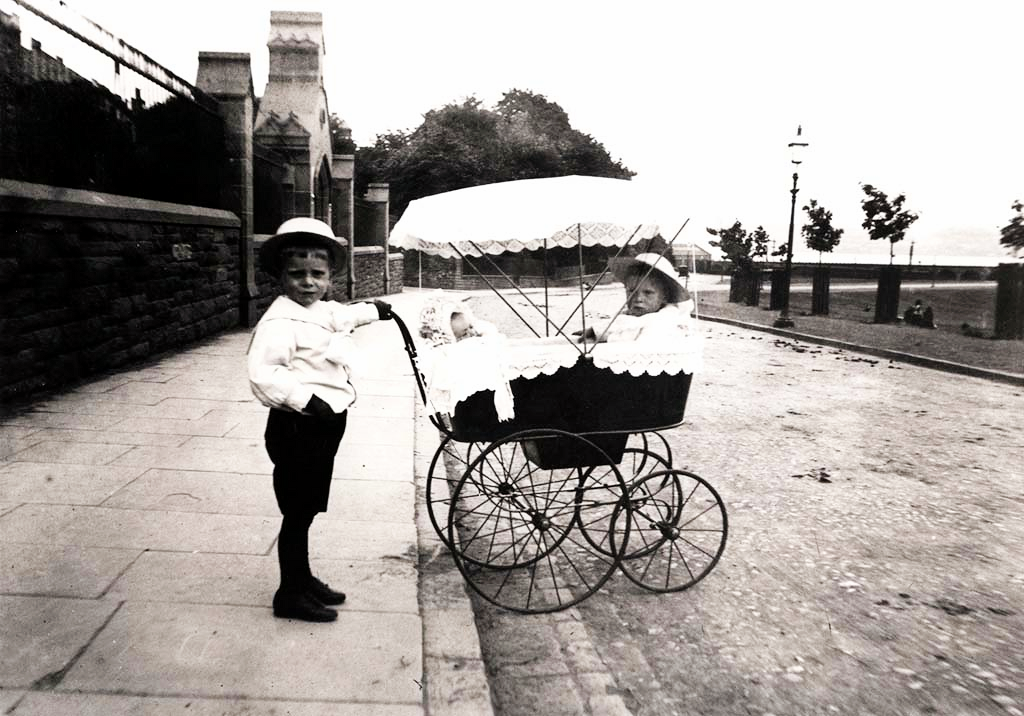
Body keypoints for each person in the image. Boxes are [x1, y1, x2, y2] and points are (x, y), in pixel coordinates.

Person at [247, 217, 392, 623]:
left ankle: (303, 577)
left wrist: (374, 311)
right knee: (296, 511)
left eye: (317, 274)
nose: (308, 283)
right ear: (280, 275)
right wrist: (309, 400)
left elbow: (341, 317)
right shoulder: (279, 322)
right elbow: (264, 375)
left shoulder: (320, 310)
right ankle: (289, 593)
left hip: (322, 424)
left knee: (308, 508)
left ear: (330, 277)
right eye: (297, 275)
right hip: (298, 425)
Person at [581, 253, 696, 343]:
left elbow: (631, 341)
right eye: (632, 291)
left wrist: (601, 338)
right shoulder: (632, 315)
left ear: (665, 297)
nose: (638, 298)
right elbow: (619, 323)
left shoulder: (665, 320)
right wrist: (594, 330)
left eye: (648, 293)